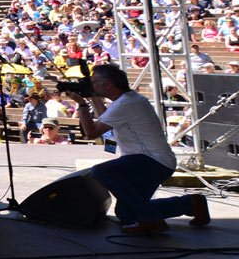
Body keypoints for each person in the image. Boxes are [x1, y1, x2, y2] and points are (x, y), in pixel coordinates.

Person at [69, 62, 209, 234]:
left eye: (94, 82)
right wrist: (93, 97)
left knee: (101, 172)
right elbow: (104, 117)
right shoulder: (127, 100)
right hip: (154, 162)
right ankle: (191, 204)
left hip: (150, 161)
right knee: (126, 213)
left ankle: (151, 220)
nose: (91, 85)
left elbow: (91, 133)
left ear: (108, 85)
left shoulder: (125, 104)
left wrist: (81, 104)